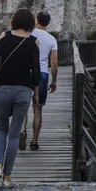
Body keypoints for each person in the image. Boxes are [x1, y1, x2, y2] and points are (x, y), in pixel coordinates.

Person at [0, 8, 40, 188]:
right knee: (14, 133)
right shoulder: (34, 42)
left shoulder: (4, 37)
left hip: (3, 88)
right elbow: (36, 72)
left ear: (14, 20)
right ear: (30, 23)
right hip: (23, 90)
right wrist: (35, 91)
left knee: (1, 130)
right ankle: (7, 178)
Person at [28, 11, 58, 150]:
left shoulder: (29, 34)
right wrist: (54, 80)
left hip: (26, 72)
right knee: (38, 110)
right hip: (42, 74)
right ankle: (34, 141)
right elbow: (54, 62)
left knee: (22, 106)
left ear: (37, 21)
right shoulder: (52, 39)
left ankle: (22, 130)